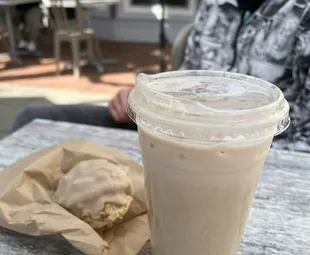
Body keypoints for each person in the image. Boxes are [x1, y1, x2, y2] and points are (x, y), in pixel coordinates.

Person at [13, 0, 310, 152]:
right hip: (173, 130)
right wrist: (146, 102)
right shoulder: (215, 4)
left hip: (252, 153)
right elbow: (187, 81)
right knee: (34, 118)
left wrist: (240, 152)